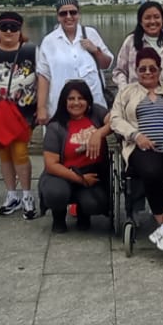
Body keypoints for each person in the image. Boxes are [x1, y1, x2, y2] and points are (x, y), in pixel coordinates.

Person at [109, 47, 163, 255]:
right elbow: (115, 119)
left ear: (160, 69)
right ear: (136, 70)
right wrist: (136, 135)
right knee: (152, 171)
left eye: (152, 68)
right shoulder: (127, 92)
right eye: (142, 69)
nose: (147, 72)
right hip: (141, 146)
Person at [0, 11, 40, 218]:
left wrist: (42, 106)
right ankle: (12, 194)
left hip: (24, 111)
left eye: (14, 27)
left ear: (20, 30)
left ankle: (27, 194)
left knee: (20, 152)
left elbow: (43, 77)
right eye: (4, 28)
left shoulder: (31, 51)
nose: (9, 32)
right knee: (4, 153)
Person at [38, 80, 112, 233]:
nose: (76, 103)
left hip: (92, 172)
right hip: (63, 173)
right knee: (56, 193)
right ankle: (58, 216)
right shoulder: (55, 126)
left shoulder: (97, 113)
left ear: (88, 100)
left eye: (81, 98)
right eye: (71, 99)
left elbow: (116, 121)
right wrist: (80, 179)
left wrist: (99, 133)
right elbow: (51, 164)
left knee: (95, 203)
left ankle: (83, 213)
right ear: (64, 101)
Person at [35, 0, 112, 118]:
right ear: (58, 17)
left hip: (92, 104)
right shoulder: (49, 41)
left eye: (73, 12)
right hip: (60, 106)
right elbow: (44, 76)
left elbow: (106, 64)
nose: (69, 17)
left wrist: (95, 50)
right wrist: (41, 108)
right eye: (63, 13)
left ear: (79, 14)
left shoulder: (91, 33)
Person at [111, 0, 163, 89]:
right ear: (140, 21)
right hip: (137, 96)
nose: (152, 21)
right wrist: (125, 90)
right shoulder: (130, 42)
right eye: (147, 18)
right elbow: (119, 71)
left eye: (156, 17)